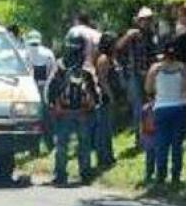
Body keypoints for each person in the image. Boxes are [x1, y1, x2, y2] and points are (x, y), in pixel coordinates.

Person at [144, 39, 186, 185]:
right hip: (180, 108)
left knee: (161, 142)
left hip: (161, 108)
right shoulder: (184, 68)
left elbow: (148, 88)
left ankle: (161, 175)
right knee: (177, 143)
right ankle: (176, 174)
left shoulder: (155, 68)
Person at [46, 34, 99, 187]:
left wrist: (53, 105)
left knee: (62, 145)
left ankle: (60, 175)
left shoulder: (60, 65)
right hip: (83, 112)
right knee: (84, 145)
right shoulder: (86, 66)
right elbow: (94, 90)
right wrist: (93, 105)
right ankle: (85, 174)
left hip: (64, 111)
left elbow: (52, 87)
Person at [116, 6, 159, 149]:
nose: (147, 22)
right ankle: (140, 138)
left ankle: (152, 135)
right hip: (135, 75)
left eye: (149, 19)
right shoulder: (133, 34)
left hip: (151, 74)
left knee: (152, 105)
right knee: (138, 107)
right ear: (139, 20)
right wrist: (128, 36)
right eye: (144, 19)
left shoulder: (153, 34)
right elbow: (118, 48)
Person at [26, 30, 57, 152]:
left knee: (32, 118)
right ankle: (50, 145)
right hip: (45, 87)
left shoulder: (24, 53)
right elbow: (53, 71)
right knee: (46, 118)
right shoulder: (48, 53)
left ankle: (33, 148)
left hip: (30, 89)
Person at [93, 32, 119, 169]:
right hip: (103, 98)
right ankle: (104, 158)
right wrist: (111, 96)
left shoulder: (110, 58)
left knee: (107, 129)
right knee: (103, 129)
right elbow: (102, 80)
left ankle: (108, 156)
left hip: (107, 96)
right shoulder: (103, 59)